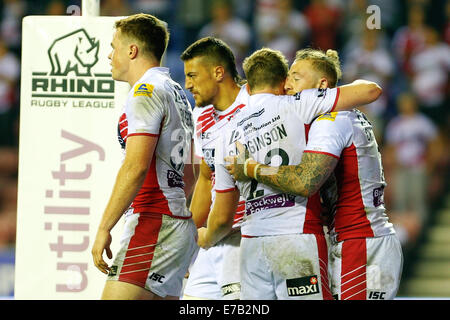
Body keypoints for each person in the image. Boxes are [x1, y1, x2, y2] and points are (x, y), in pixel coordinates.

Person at [204, 47, 383, 300]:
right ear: (281, 81)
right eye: (290, 77)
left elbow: (222, 214)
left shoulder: (224, 131)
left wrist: (206, 236)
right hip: (297, 235)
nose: (290, 84)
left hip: (252, 243)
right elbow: (370, 90)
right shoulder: (298, 105)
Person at [91, 13, 197, 300]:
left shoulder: (144, 92)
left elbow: (135, 167)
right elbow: (192, 170)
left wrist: (104, 227)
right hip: (175, 220)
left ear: (132, 50)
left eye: (114, 47)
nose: (109, 55)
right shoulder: (175, 91)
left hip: (153, 219)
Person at [179, 37, 248, 300]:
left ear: (218, 72)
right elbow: (206, 180)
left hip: (245, 237)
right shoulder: (201, 116)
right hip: (212, 237)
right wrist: (187, 244)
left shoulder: (255, 103)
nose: (188, 84)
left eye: (193, 76)